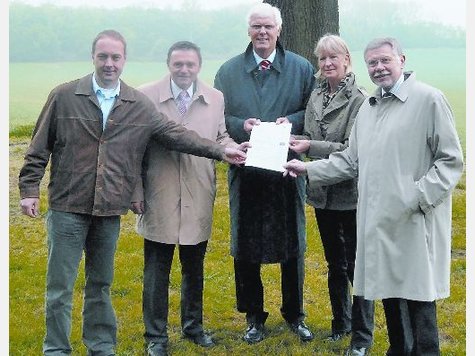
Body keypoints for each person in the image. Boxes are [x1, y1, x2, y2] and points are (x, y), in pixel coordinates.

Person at [18, 30, 246, 356]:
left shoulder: (136, 103)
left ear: (124, 60)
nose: (109, 64)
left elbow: (175, 134)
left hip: (109, 207)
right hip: (68, 204)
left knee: (100, 285)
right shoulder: (65, 96)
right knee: (60, 288)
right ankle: (56, 349)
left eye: (116, 57)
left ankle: (101, 346)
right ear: (93, 57)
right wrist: (29, 189)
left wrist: (221, 152)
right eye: (103, 57)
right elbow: (38, 147)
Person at [284, 37, 464, 355]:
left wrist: (418, 196)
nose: (378, 68)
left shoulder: (428, 100)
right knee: (391, 295)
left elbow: (450, 160)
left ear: (402, 60)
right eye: (372, 63)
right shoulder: (370, 109)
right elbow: (350, 161)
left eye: (385, 60)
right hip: (379, 221)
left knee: (419, 297)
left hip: (414, 220)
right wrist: (308, 169)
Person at [130, 41, 241, 356]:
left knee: (194, 266)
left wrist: (235, 148)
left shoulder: (215, 97)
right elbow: (133, 148)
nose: (184, 70)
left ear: (199, 66)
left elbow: (220, 137)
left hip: (198, 190)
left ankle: (193, 327)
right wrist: (135, 190)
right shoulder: (145, 96)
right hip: (158, 190)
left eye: (190, 65)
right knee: (157, 269)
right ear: (168, 64)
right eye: (178, 64)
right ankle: (156, 336)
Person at [214, 3, 315, 344]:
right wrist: (239, 125)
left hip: (287, 170)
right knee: (245, 246)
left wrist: (294, 122)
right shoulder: (228, 72)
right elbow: (216, 119)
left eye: (267, 27)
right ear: (248, 31)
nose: (262, 32)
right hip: (246, 172)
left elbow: (312, 111)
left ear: (278, 30)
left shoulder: (301, 69)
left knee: (293, 243)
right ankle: (253, 316)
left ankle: (295, 313)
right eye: (256, 26)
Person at [288, 34, 374, 355]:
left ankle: (362, 335)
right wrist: (288, 135)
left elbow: (352, 151)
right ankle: (342, 324)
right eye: (322, 59)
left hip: (350, 195)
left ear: (346, 60)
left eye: (333, 58)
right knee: (334, 263)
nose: (327, 64)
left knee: (356, 265)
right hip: (322, 193)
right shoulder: (316, 96)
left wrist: (311, 147)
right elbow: (309, 136)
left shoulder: (360, 100)